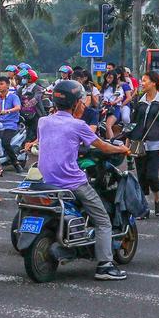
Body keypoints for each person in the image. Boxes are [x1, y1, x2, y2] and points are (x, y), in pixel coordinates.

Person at [36, 79, 129, 279]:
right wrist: (122, 148)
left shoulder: (43, 121)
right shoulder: (78, 125)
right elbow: (103, 146)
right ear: (76, 103)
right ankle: (105, 265)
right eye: (81, 100)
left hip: (47, 180)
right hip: (72, 182)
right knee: (103, 221)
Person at [130, 71, 159, 217]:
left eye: (145, 80)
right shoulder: (139, 100)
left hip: (156, 143)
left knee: (152, 175)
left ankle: (157, 198)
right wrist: (129, 142)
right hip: (139, 143)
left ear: (153, 83)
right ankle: (143, 208)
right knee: (141, 175)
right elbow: (133, 123)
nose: (142, 83)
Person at [0, 74, 24, 174]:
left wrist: (7, 111)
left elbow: (18, 107)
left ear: (7, 85)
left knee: (5, 142)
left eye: (1, 84)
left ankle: (16, 163)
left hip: (10, 125)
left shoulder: (14, 97)